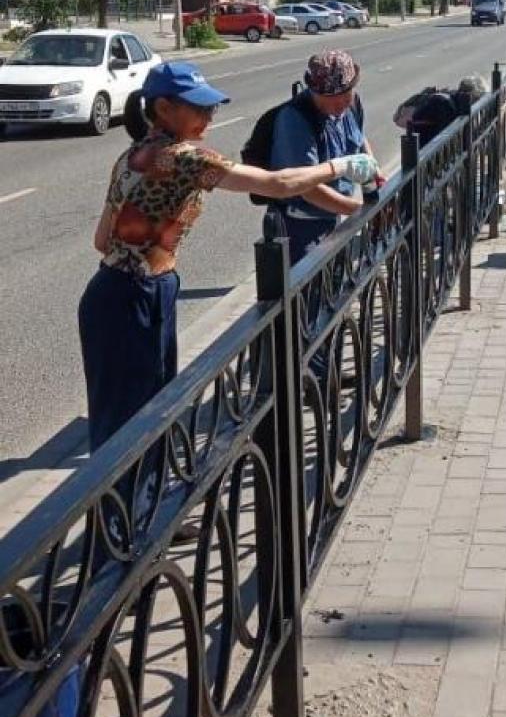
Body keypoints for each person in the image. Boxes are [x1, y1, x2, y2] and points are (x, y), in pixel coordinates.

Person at [78, 60, 377, 453]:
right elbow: (279, 183)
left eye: (212, 108)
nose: (210, 116)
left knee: (130, 417)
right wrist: (339, 166)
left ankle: (135, 490)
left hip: (119, 291)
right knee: (132, 428)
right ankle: (127, 494)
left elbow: (103, 240)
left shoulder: (132, 155)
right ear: (164, 108)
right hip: (136, 296)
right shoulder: (185, 158)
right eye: (200, 108)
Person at [267, 50, 378, 264]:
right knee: (308, 282)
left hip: (334, 217)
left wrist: (375, 173)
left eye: (345, 97)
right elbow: (308, 189)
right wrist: (359, 211)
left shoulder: (351, 105)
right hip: (301, 226)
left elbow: (359, 138)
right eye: (331, 101)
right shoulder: (294, 120)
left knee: (336, 279)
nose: (340, 106)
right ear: (313, 92)